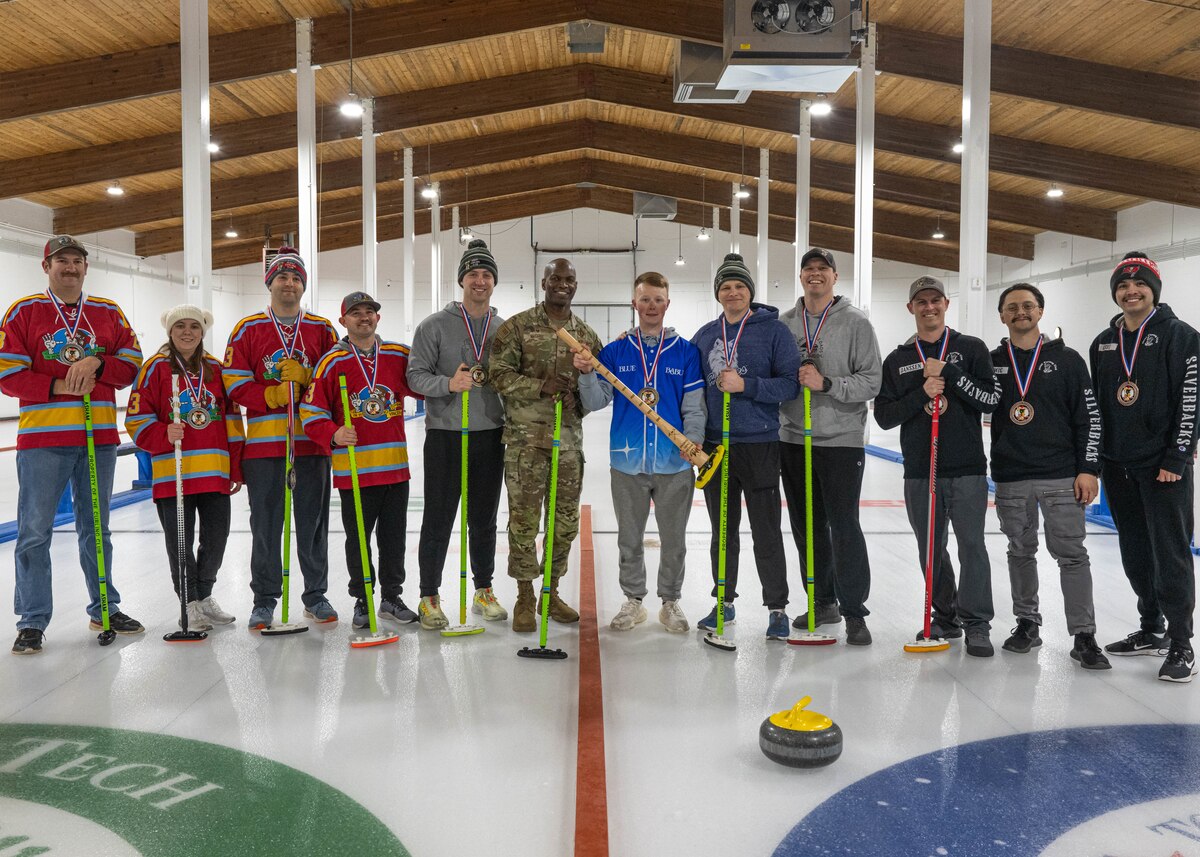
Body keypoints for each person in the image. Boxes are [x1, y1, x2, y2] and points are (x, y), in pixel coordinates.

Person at [1, 235, 145, 654]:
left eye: (77, 261)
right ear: (46, 266)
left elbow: (132, 362)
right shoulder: (24, 312)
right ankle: (32, 620)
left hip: (97, 438)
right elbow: (8, 374)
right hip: (43, 440)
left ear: (86, 268)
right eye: (61, 260)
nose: (70, 267)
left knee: (97, 530)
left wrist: (98, 362)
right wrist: (59, 383)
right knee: (33, 532)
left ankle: (104, 607)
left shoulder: (107, 312)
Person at [875, 276, 1000, 657]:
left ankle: (977, 622)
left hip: (966, 469)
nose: (929, 307)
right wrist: (921, 394)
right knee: (930, 548)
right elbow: (883, 416)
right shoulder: (898, 359)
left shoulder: (971, 348)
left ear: (946, 304)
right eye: (921, 301)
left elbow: (991, 400)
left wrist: (951, 375)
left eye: (935, 300)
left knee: (972, 546)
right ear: (910, 308)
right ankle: (946, 615)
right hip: (919, 469)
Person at [1090, 252, 1200, 683]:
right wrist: (1095, 461)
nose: (1130, 291)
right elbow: (1097, 405)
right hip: (1118, 466)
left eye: (1139, 285)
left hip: (1162, 467)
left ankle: (1181, 641)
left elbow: (1191, 401)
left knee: (1170, 553)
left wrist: (1176, 457)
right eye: (1122, 285)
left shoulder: (1181, 336)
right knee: (1135, 551)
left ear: (1153, 290)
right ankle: (1151, 627)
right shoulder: (1104, 341)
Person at [575, 272, 706, 633]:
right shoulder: (615, 351)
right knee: (629, 539)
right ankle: (634, 600)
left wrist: (691, 439)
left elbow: (694, 406)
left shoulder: (686, 352)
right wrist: (587, 373)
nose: (651, 306)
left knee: (674, 540)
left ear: (667, 303)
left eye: (657, 300)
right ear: (634, 304)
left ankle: (670, 601)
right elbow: (595, 400)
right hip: (627, 463)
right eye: (644, 300)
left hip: (674, 463)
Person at [990, 284, 1108, 669]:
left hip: (1061, 476)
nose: (1020, 312)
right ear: (1002, 315)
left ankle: (1084, 635)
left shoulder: (1069, 360)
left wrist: (1089, 469)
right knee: (1020, 552)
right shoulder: (992, 362)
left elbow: (1089, 418)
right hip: (1011, 477)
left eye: (1027, 306)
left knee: (1072, 556)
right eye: (1012, 307)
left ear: (1040, 311)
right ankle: (1027, 623)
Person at [222, 248, 339, 630]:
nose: (289, 284)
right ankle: (264, 598)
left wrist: (309, 379)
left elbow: (337, 381)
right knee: (266, 525)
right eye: (282, 277)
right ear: (269, 282)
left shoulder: (322, 329)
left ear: (303, 286)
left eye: (296, 278)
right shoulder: (247, 329)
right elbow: (234, 382)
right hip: (265, 446)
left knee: (313, 523)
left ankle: (315, 595)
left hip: (311, 445)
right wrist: (271, 395)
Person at [691, 253, 802, 641]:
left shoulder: (774, 332)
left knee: (766, 529)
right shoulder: (705, 335)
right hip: (715, 446)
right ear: (718, 294)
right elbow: (690, 385)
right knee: (722, 532)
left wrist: (748, 386)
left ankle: (777, 607)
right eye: (726, 287)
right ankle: (724, 600)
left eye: (739, 286)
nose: (733, 292)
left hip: (759, 444)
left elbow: (790, 384)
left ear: (750, 292)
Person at [489, 258, 603, 632]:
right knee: (524, 522)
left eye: (569, 279)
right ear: (543, 281)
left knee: (564, 523)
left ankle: (550, 594)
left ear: (576, 285)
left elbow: (598, 389)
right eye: (556, 277)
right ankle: (524, 595)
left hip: (568, 444)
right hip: (525, 444)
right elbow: (498, 375)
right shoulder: (517, 328)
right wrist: (540, 386)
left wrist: (579, 399)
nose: (562, 284)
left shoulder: (586, 336)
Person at [779, 248, 882, 646]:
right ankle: (822, 601)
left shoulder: (856, 324)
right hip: (793, 438)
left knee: (844, 527)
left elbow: (871, 382)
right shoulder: (786, 323)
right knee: (807, 527)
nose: (815, 275)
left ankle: (855, 610)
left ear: (835, 277)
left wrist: (827, 385)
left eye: (823, 269)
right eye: (809, 270)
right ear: (801, 277)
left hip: (840, 441)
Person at [301, 291, 422, 629]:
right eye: (356, 313)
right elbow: (310, 411)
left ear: (378, 319)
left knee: (394, 538)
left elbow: (424, 384)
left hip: (395, 468)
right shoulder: (332, 362)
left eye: (370, 312)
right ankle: (362, 599)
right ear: (344, 321)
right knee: (358, 540)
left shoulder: (398, 354)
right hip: (355, 471)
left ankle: (391, 597)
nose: (364, 317)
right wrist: (334, 433)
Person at [407, 240, 508, 630]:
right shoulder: (434, 326)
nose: (479, 281)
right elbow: (415, 375)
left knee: (484, 520)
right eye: (473, 274)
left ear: (493, 282)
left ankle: (484, 590)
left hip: (489, 435)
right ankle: (429, 595)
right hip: (447, 435)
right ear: (462, 280)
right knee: (438, 518)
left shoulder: (503, 328)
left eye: (486, 275)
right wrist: (448, 383)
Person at [125, 305, 244, 631]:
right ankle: (188, 603)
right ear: (170, 331)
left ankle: (204, 597)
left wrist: (235, 468)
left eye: (194, 326)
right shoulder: (154, 369)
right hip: (174, 473)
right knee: (180, 543)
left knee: (216, 540)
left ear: (203, 332)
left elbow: (233, 420)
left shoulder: (217, 370)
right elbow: (135, 419)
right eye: (181, 326)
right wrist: (162, 433)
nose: (187, 332)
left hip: (214, 473)